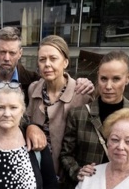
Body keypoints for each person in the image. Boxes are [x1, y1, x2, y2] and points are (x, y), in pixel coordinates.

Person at [60, 50, 129, 189]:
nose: (108, 86)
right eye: (103, 79)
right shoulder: (79, 114)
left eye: (116, 79)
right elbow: (66, 154)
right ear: (97, 76)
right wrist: (77, 171)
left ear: (128, 78)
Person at [26, 35, 92, 177]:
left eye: (53, 58)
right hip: (36, 171)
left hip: (68, 175)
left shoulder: (81, 94)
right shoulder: (33, 89)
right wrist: (30, 126)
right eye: (42, 59)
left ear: (65, 62)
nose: (47, 64)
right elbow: (26, 120)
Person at [0, 27, 94, 106]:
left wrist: (82, 82)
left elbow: (59, 80)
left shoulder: (34, 82)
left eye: (12, 53)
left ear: (20, 53)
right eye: (2, 52)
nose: (6, 58)